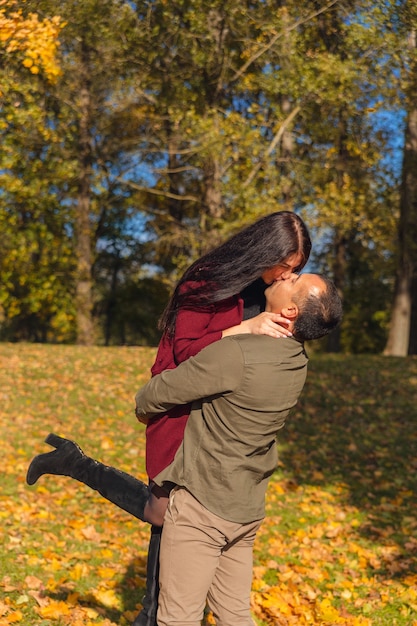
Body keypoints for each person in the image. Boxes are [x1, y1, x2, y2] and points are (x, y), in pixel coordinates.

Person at [26, 211, 312, 626]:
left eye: (296, 270)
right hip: (179, 405)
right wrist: (247, 329)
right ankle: (153, 611)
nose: (287, 276)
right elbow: (185, 352)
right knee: (169, 514)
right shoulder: (207, 280)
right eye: (285, 265)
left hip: (217, 417)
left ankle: (75, 464)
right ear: (264, 250)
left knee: (167, 516)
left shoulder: (261, 289)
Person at [134, 272, 343, 626]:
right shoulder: (297, 362)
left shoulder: (237, 355)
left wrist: (144, 404)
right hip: (245, 510)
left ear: (289, 311)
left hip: (203, 507)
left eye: (294, 280)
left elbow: (155, 395)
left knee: (178, 618)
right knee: (234, 615)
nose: (287, 275)